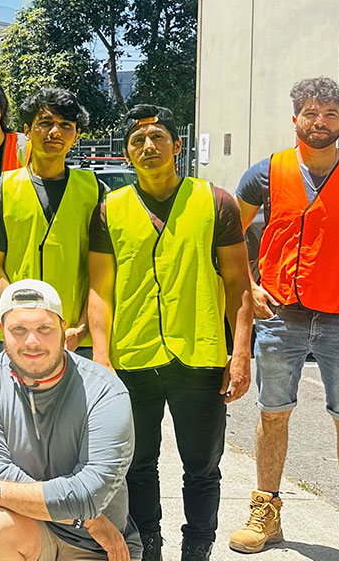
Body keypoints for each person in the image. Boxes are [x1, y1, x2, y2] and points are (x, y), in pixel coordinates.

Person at [229, 78, 339, 561]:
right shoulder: (266, 173)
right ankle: (265, 511)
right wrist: (250, 284)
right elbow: (228, 231)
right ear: (295, 119)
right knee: (273, 415)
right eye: (311, 113)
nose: (320, 122)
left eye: (330, 114)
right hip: (280, 317)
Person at [85, 105, 253, 561]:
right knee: (137, 467)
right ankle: (150, 549)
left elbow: (239, 282)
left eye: (158, 137)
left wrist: (240, 356)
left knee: (202, 468)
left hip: (200, 358)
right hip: (132, 360)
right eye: (138, 141)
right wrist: (101, 356)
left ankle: (197, 549)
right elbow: (100, 289)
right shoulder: (110, 209)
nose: (148, 147)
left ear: (177, 146)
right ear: (126, 154)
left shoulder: (215, 201)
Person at [0, 280, 140, 561]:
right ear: (2, 331)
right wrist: (87, 520)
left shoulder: (105, 389)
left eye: (44, 329)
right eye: (19, 330)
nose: (32, 342)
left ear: (63, 328)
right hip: (45, 529)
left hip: (98, 547)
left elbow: (90, 495)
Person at [0, 89, 103, 359]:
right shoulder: (1, 190)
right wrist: (20, 317)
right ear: (27, 130)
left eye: (65, 126)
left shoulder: (94, 191)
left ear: (76, 135)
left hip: (75, 338)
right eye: (45, 123)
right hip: (14, 337)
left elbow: (101, 274)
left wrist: (83, 327)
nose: (54, 132)